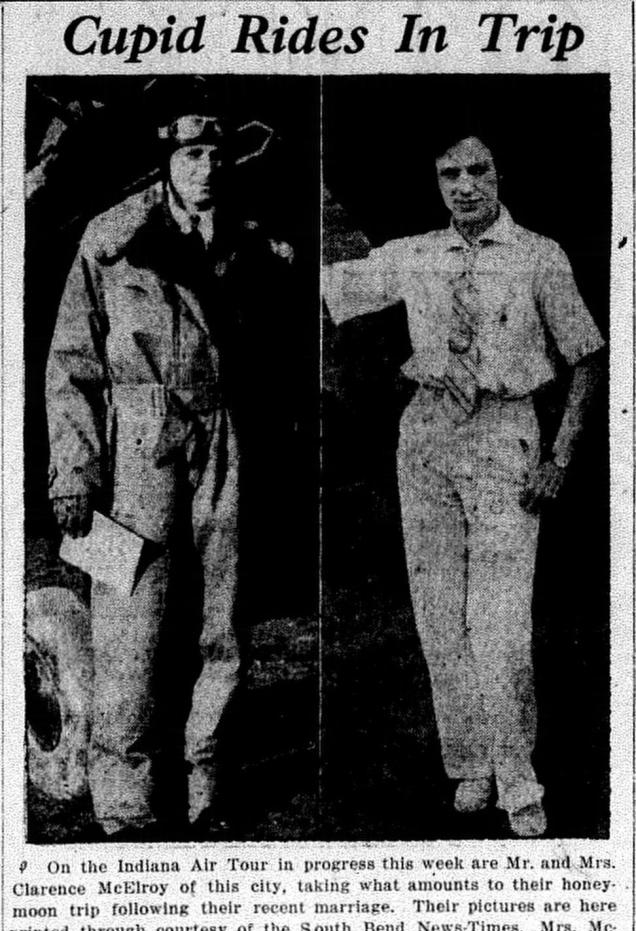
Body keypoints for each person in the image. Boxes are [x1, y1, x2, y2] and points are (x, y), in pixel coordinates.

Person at [324, 133, 605, 837]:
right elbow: (329, 282)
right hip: (426, 439)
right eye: (449, 173)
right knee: (440, 617)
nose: (464, 185)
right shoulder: (417, 253)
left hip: (506, 435)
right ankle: (471, 762)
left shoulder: (538, 254)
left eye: (477, 169)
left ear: (500, 173)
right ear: (436, 182)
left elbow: (587, 356)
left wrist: (562, 457)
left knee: (500, 623)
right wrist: (404, 359)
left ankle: (518, 778)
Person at [46, 84, 295, 840]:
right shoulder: (111, 239)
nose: (207, 168)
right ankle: (124, 801)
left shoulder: (249, 244)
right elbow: (71, 366)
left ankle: (206, 787)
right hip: (139, 438)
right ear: (165, 163)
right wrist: (73, 468)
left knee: (222, 617)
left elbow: (270, 356)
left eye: (218, 154)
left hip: (221, 433)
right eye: (192, 154)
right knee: (132, 615)